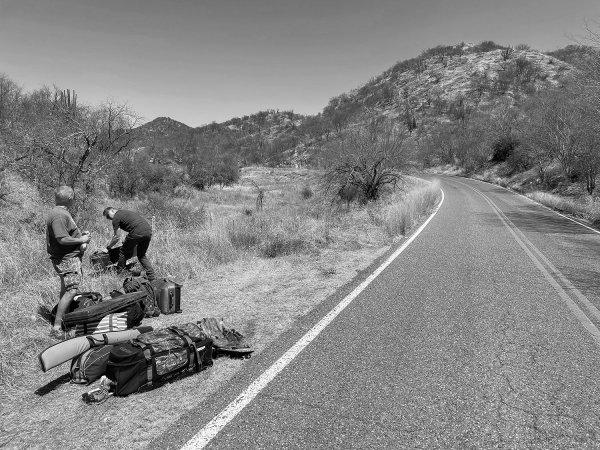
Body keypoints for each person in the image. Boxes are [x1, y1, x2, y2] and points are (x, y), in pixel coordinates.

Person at [46, 185, 90, 339]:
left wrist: (80, 239)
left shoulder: (60, 212)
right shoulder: (59, 215)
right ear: (71, 198)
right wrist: (81, 239)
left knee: (66, 289)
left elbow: (65, 235)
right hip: (67, 259)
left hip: (68, 257)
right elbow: (62, 238)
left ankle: (62, 318)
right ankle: (57, 328)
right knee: (72, 290)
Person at [102, 207, 156, 281]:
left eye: (108, 216)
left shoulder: (116, 217)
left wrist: (108, 247)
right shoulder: (124, 212)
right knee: (141, 255)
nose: (109, 218)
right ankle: (151, 276)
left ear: (112, 210)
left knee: (122, 251)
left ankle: (121, 273)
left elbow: (116, 237)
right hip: (148, 231)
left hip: (137, 231)